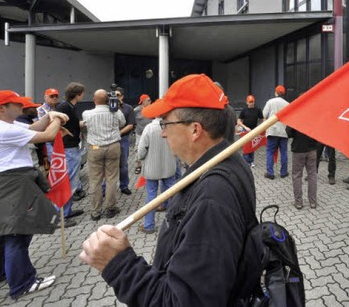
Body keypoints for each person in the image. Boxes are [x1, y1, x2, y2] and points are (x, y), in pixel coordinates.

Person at [80, 73, 256, 306]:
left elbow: (183, 301)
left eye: (166, 123)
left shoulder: (212, 198)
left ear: (195, 130)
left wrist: (119, 264)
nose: (162, 132)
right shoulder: (226, 163)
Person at [0, 90, 68, 299]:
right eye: (16, 104)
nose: (22, 108)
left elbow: (33, 128)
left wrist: (48, 116)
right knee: (17, 235)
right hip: (12, 187)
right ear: (1, 108)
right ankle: (23, 283)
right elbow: (48, 135)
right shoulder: (4, 130)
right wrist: (57, 117)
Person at [82, 89, 126, 221]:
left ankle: (95, 212)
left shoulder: (87, 113)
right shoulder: (116, 112)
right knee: (112, 178)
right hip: (113, 146)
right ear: (108, 100)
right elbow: (122, 123)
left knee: (95, 180)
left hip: (95, 147)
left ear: (94, 100)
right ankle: (110, 208)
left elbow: (85, 126)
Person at [135, 118, 178, 234]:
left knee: (151, 194)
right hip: (169, 165)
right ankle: (175, 221)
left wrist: (140, 158)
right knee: (172, 193)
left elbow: (142, 148)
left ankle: (149, 225)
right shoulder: (172, 126)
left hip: (151, 167)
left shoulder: (149, 128)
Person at [55, 82, 87, 222]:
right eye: (82, 93)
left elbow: (71, 123)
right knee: (68, 181)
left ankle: (67, 211)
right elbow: (57, 124)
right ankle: (60, 216)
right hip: (68, 149)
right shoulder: (64, 107)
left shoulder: (69, 107)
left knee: (72, 180)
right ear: (78, 94)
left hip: (71, 147)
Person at [286, 125, 318, 209]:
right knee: (312, 175)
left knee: (297, 176)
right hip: (312, 149)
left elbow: (288, 133)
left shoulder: (295, 117)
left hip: (298, 149)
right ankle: (313, 202)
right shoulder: (314, 117)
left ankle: (298, 202)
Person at [262, 85, 290, 179]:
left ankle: (270, 173)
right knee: (284, 152)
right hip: (283, 131)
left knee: (270, 152)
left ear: (276, 92)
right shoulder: (287, 104)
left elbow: (264, 114)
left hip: (272, 130)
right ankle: (284, 172)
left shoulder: (270, 102)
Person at [115, 87, 136, 195]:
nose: (115, 97)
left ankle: (124, 186)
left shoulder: (128, 108)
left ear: (122, 96)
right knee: (108, 166)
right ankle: (105, 188)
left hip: (123, 139)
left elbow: (130, 125)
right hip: (110, 140)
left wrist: (118, 133)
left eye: (117, 95)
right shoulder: (107, 107)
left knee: (123, 165)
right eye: (113, 95)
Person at [237, 94, 264, 167]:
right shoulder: (244, 110)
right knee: (246, 146)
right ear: (247, 102)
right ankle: (246, 161)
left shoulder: (257, 109)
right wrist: (245, 127)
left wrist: (260, 127)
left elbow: (262, 119)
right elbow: (239, 121)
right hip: (245, 130)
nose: (251, 103)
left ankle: (251, 161)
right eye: (250, 102)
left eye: (252, 101)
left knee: (252, 146)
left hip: (253, 130)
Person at [36, 87, 61, 161]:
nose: (54, 98)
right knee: (54, 161)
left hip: (59, 138)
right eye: (52, 96)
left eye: (56, 96)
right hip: (48, 140)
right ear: (45, 97)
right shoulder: (40, 110)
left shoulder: (59, 108)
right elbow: (42, 125)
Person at [133, 94, 152, 174]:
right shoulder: (136, 110)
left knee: (150, 149)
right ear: (143, 102)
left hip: (150, 133)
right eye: (148, 100)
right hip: (140, 133)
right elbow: (131, 120)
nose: (150, 102)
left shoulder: (152, 109)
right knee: (138, 148)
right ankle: (138, 165)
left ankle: (150, 165)